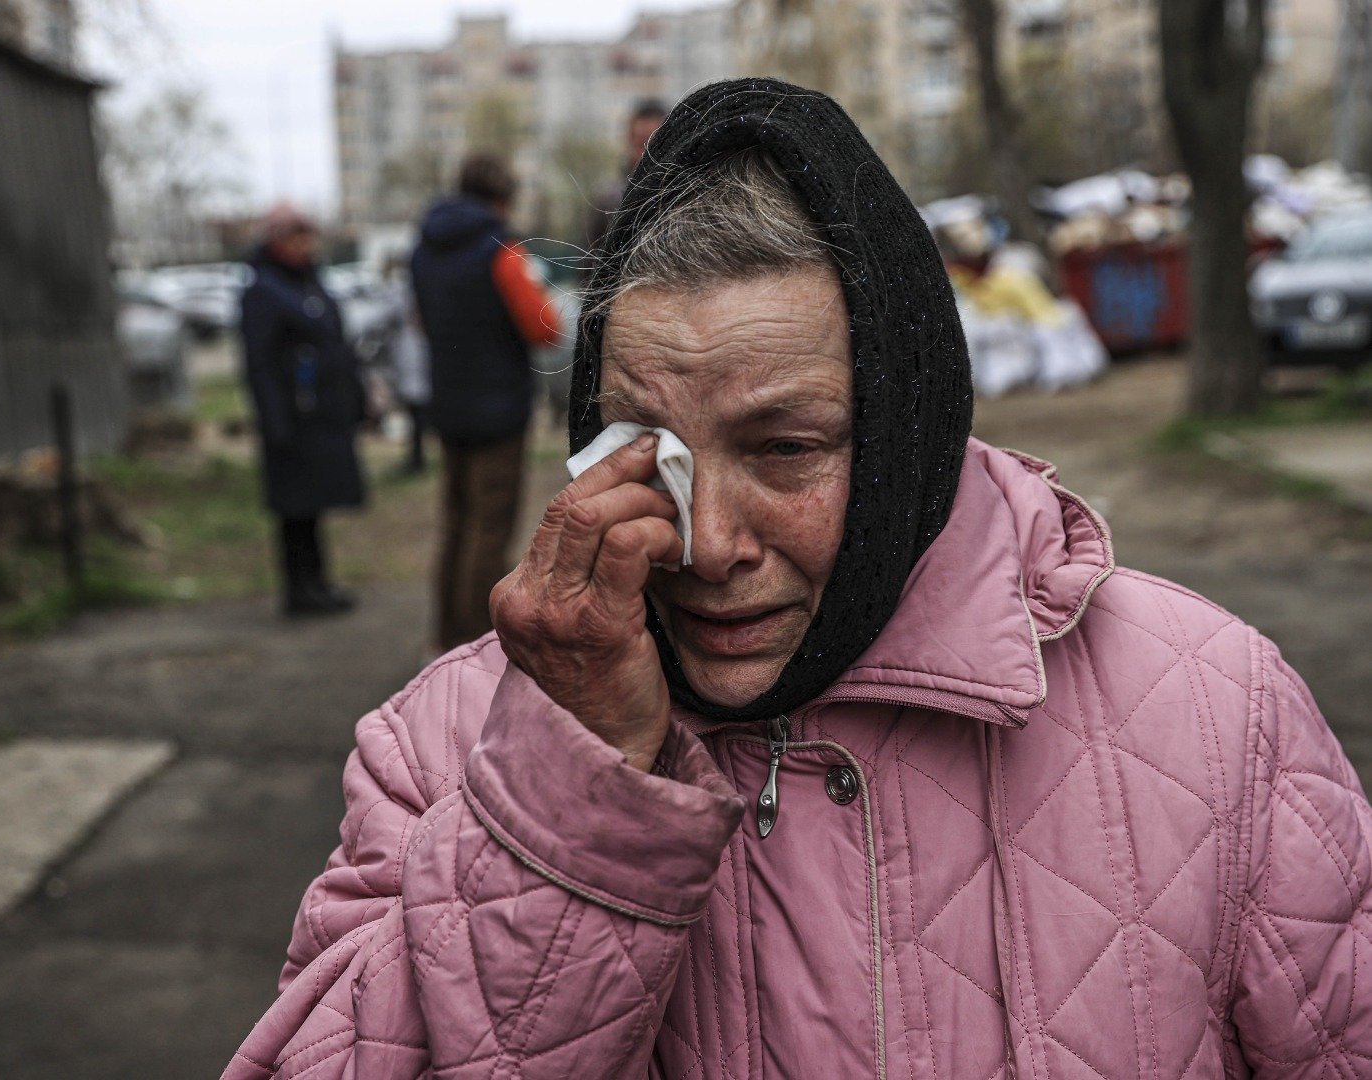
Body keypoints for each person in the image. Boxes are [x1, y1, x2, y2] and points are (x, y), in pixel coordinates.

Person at [223, 80, 1372, 1078]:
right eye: (649, 453)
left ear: (903, 431)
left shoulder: (1218, 715)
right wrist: (568, 792)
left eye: (783, 449)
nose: (705, 542)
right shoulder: (444, 749)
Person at [411, 153, 563, 651]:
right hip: (498, 409)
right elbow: (544, 328)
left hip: (447, 402)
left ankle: (443, 634)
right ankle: (476, 644)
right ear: (502, 197)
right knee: (489, 528)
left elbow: (421, 319)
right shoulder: (502, 250)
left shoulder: (424, 248)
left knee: (455, 522)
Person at [239, 203, 365, 617]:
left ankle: (318, 582)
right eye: (296, 237)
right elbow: (259, 364)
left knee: (313, 503)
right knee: (294, 507)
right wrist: (274, 421)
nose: (305, 244)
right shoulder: (264, 290)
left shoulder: (309, 283)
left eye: (308, 235)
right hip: (292, 419)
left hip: (321, 416)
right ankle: (299, 589)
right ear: (277, 241)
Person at [583, 96, 667, 256]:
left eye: (655, 144)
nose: (646, 154)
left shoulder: (687, 198)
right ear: (628, 142)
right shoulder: (607, 202)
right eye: (640, 143)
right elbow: (590, 267)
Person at [381, 255, 431, 476]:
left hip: (414, 353)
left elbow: (386, 314)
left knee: (417, 408)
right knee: (415, 407)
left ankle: (417, 457)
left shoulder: (403, 289)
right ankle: (416, 455)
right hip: (413, 352)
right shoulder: (414, 286)